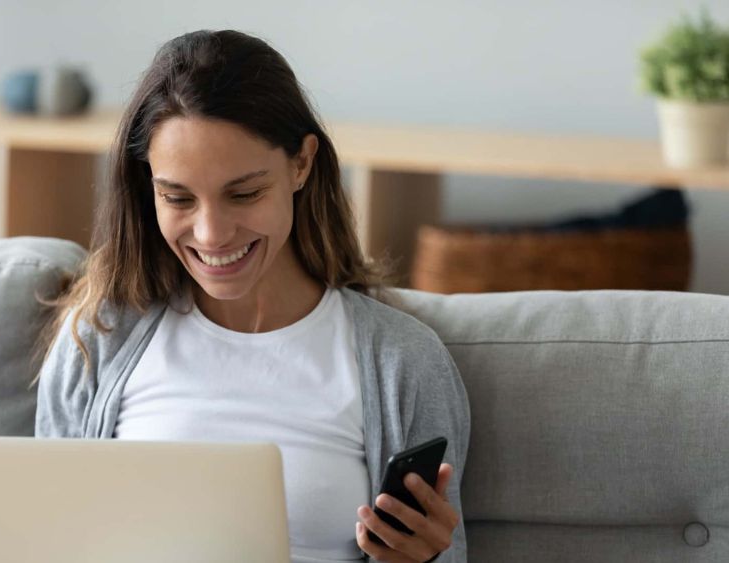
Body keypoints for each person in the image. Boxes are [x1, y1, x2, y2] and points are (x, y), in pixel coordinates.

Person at [34, 29, 470, 563]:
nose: (212, 234)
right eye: (178, 197)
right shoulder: (98, 339)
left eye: (244, 194)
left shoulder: (402, 362)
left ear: (301, 164)